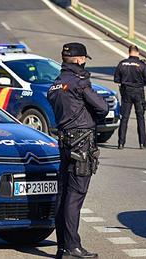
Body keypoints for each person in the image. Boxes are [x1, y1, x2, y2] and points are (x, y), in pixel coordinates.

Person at [48, 42, 108, 259]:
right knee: (75, 196)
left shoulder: (55, 84)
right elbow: (102, 107)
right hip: (81, 143)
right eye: (84, 59)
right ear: (80, 59)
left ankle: (62, 246)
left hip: (64, 142)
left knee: (63, 195)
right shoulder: (80, 83)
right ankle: (73, 247)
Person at [113, 44, 146, 149]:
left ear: (129, 52)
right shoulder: (141, 65)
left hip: (126, 92)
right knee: (140, 117)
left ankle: (121, 143)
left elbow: (116, 79)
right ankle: (142, 143)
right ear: (137, 53)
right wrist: (139, 82)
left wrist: (125, 81)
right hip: (138, 92)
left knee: (124, 118)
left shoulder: (122, 64)